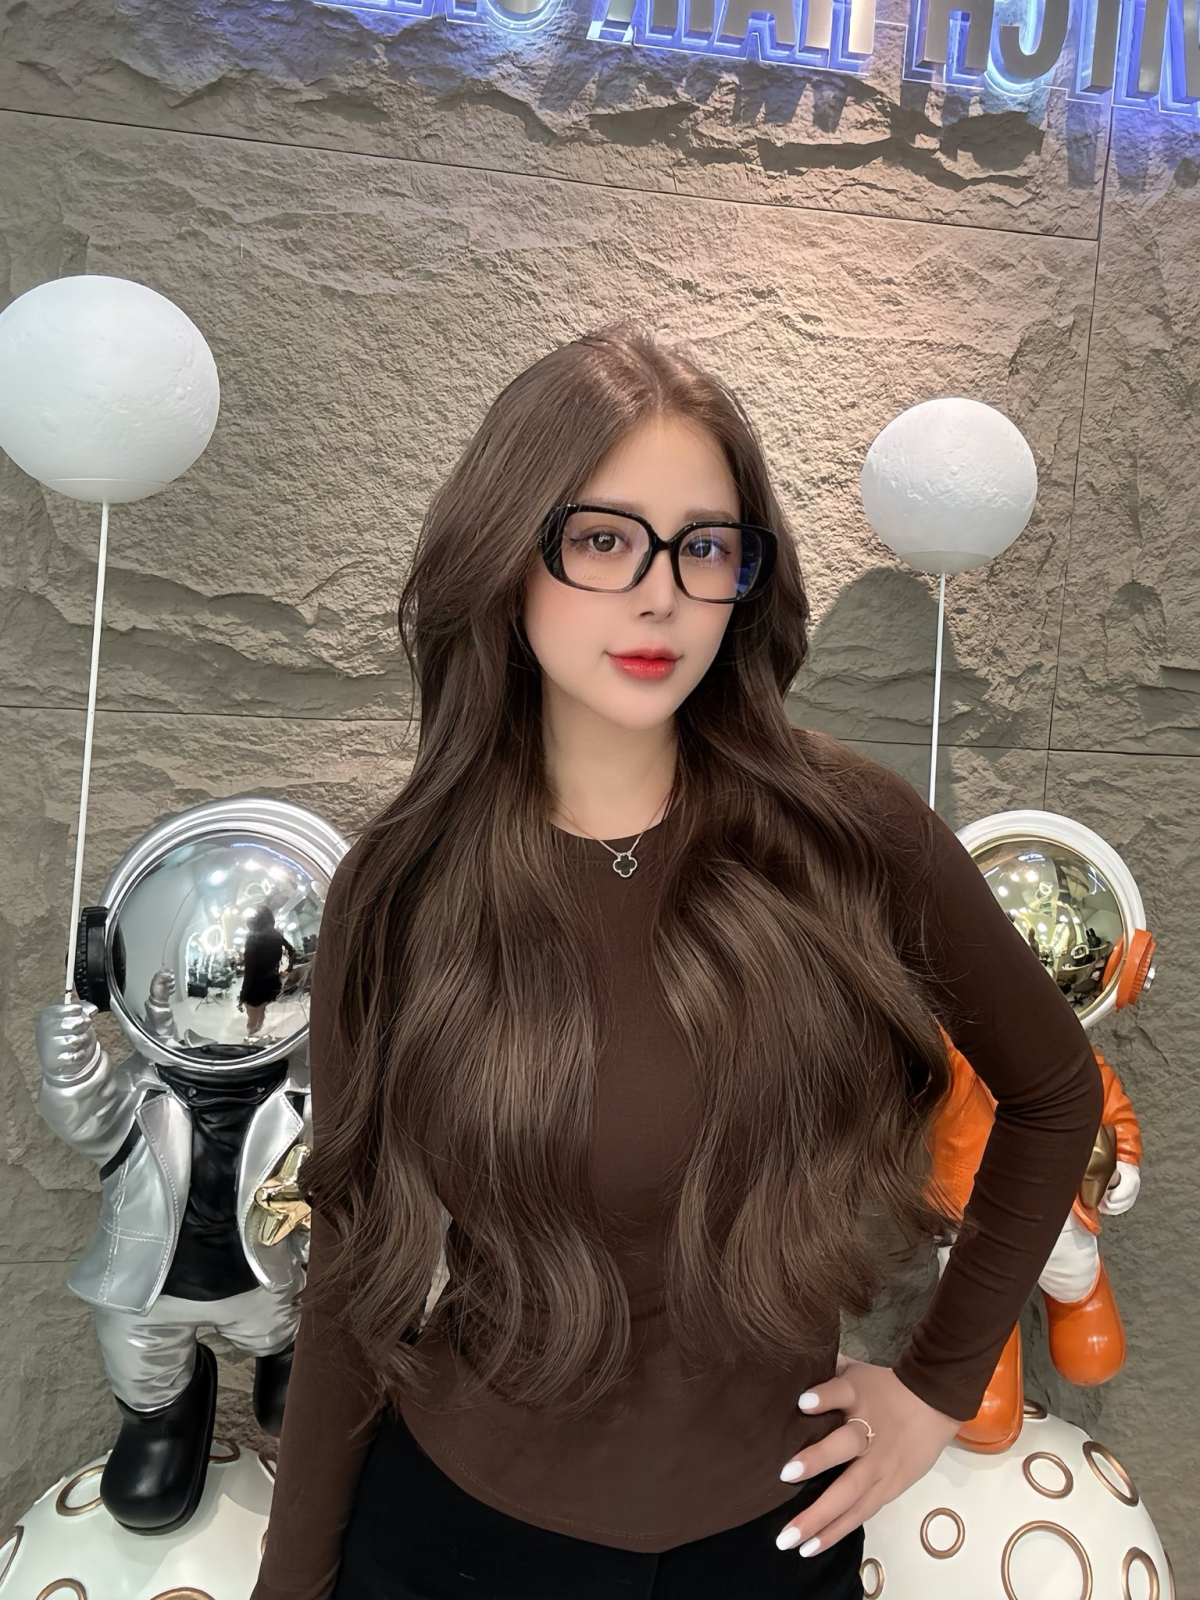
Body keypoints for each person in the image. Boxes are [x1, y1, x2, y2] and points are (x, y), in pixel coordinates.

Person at [250, 322, 1104, 1600]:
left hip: (772, 1543)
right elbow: (351, 1269)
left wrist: (935, 1387)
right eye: (604, 540)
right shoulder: (406, 880)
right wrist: (290, 1584)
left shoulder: (843, 832)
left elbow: (1055, 1094)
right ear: (507, 554)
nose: (660, 594)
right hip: (459, 1545)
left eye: (704, 546)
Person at [239, 905, 296, 1037]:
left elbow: (249, 972)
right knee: (262, 1017)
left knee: (252, 1023)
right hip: (273, 983)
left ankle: (252, 1043)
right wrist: (288, 969)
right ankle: (260, 1038)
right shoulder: (277, 936)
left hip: (255, 987)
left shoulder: (252, 939)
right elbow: (292, 951)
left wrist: (242, 996)